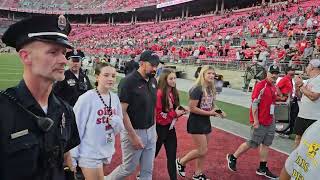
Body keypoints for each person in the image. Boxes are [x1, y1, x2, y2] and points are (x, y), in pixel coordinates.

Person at [0, 15, 80, 180]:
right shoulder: (3, 110)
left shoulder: (66, 111)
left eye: (64, 53)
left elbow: (65, 161)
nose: (63, 60)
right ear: (25, 56)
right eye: (53, 52)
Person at [106, 50, 160, 180]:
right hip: (134, 131)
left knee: (147, 170)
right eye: (152, 64)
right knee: (128, 168)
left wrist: (154, 129)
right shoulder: (128, 82)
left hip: (150, 130)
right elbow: (122, 112)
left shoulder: (153, 81)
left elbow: (151, 108)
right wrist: (133, 136)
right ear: (141, 63)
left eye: (156, 65)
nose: (155, 68)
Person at [71, 62, 124, 180]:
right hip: (89, 153)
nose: (110, 79)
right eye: (106, 75)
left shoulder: (114, 98)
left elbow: (119, 128)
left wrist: (115, 122)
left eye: (113, 76)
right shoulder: (86, 98)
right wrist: (73, 158)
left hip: (107, 150)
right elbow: (75, 128)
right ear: (97, 76)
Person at [226, 65, 281, 179]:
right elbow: (254, 104)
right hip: (260, 120)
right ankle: (233, 157)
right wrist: (255, 120)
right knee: (252, 142)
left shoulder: (274, 87)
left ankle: (262, 168)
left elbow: (273, 102)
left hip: (270, 120)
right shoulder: (261, 85)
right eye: (273, 73)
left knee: (266, 144)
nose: (275, 75)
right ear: (267, 73)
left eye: (276, 73)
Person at [176, 65, 226, 180]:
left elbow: (211, 105)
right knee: (202, 150)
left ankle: (198, 174)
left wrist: (219, 111)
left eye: (213, 74)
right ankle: (181, 162)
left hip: (205, 121)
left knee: (204, 151)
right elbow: (192, 108)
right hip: (196, 122)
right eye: (209, 73)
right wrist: (210, 113)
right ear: (203, 74)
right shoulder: (197, 88)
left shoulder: (211, 88)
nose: (212, 75)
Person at [155, 68, 186, 180]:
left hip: (170, 129)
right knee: (151, 155)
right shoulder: (159, 94)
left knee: (172, 157)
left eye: (175, 78)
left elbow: (173, 111)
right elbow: (158, 116)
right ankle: (142, 174)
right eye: (171, 78)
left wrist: (181, 111)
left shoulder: (173, 93)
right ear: (164, 79)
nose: (174, 81)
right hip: (159, 130)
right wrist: (174, 114)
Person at [293, 59, 320, 148]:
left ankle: (311, 161)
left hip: (314, 117)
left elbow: (313, 97)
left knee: (313, 143)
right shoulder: (308, 80)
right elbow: (300, 96)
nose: (306, 68)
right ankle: (295, 159)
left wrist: (301, 85)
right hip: (303, 115)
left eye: (308, 65)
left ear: (312, 67)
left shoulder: (319, 79)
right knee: (298, 138)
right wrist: (297, 87)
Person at [276, 66, 298, 136]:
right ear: (287, 72)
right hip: (285, 101)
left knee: (289, 116)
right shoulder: (285, 79)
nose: (293, 74)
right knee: (284, 116)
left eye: (293, 72)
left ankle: (284, 130)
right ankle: (281, 131)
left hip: (289, 100)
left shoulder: (290, 79)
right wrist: (281, 96)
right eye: (291, 71)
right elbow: (277, 87)